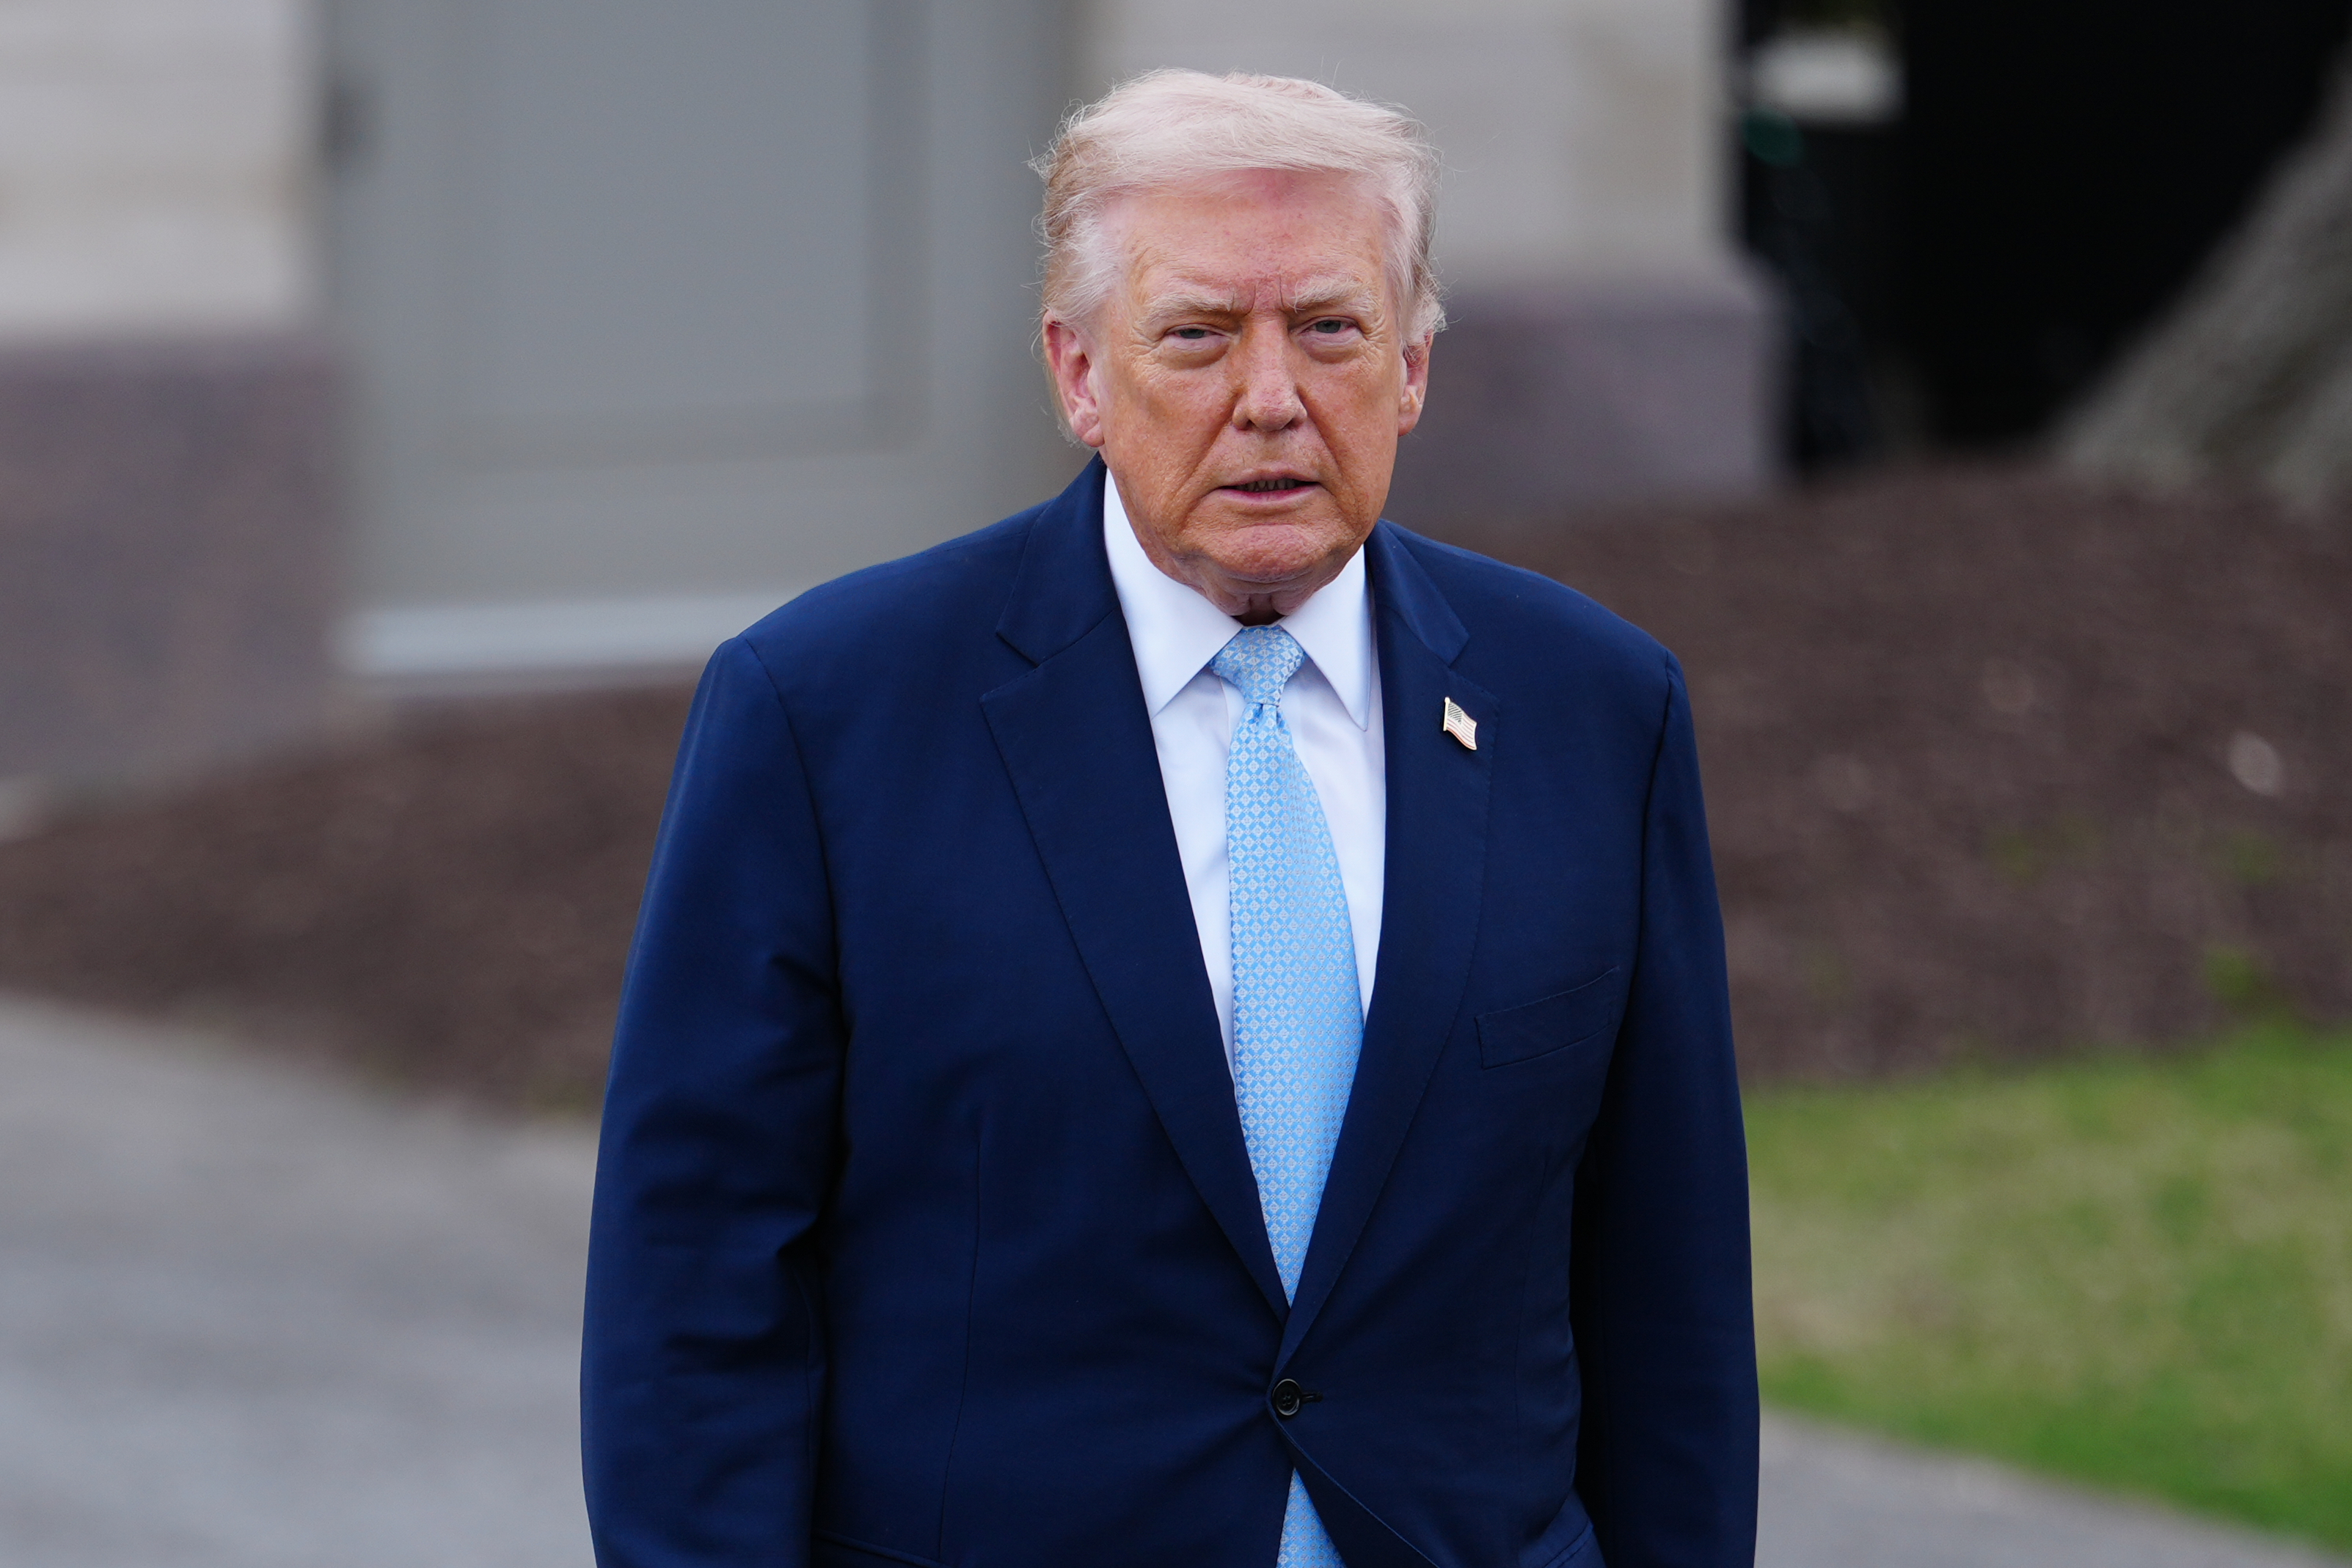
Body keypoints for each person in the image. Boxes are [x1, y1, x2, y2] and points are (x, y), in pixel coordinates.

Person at [582, 69, 1756, 1568]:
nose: (1270, 397)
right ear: (1079, 372)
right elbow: (693, 1289)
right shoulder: (824, 714)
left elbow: (1669, 1293)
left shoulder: (1593, 708)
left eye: (1328, 329)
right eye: (1197, 334)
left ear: (1409, 366)